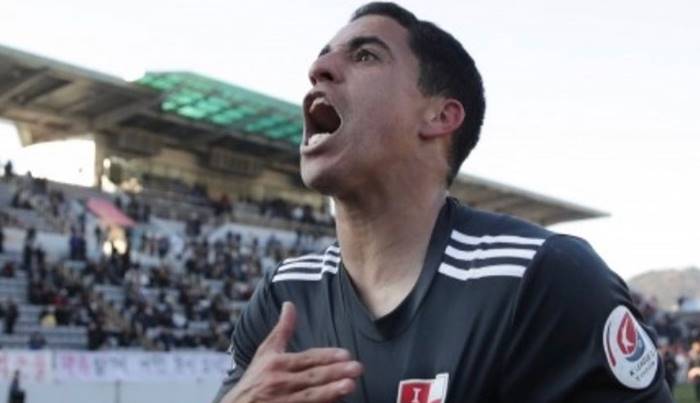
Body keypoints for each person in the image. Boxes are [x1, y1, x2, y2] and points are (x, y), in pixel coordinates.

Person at [214, 3, 673, 402]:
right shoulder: (283, 298)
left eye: (365, 55)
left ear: (439, 115)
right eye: (323, 56)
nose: (320, 69)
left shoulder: (538, 278)